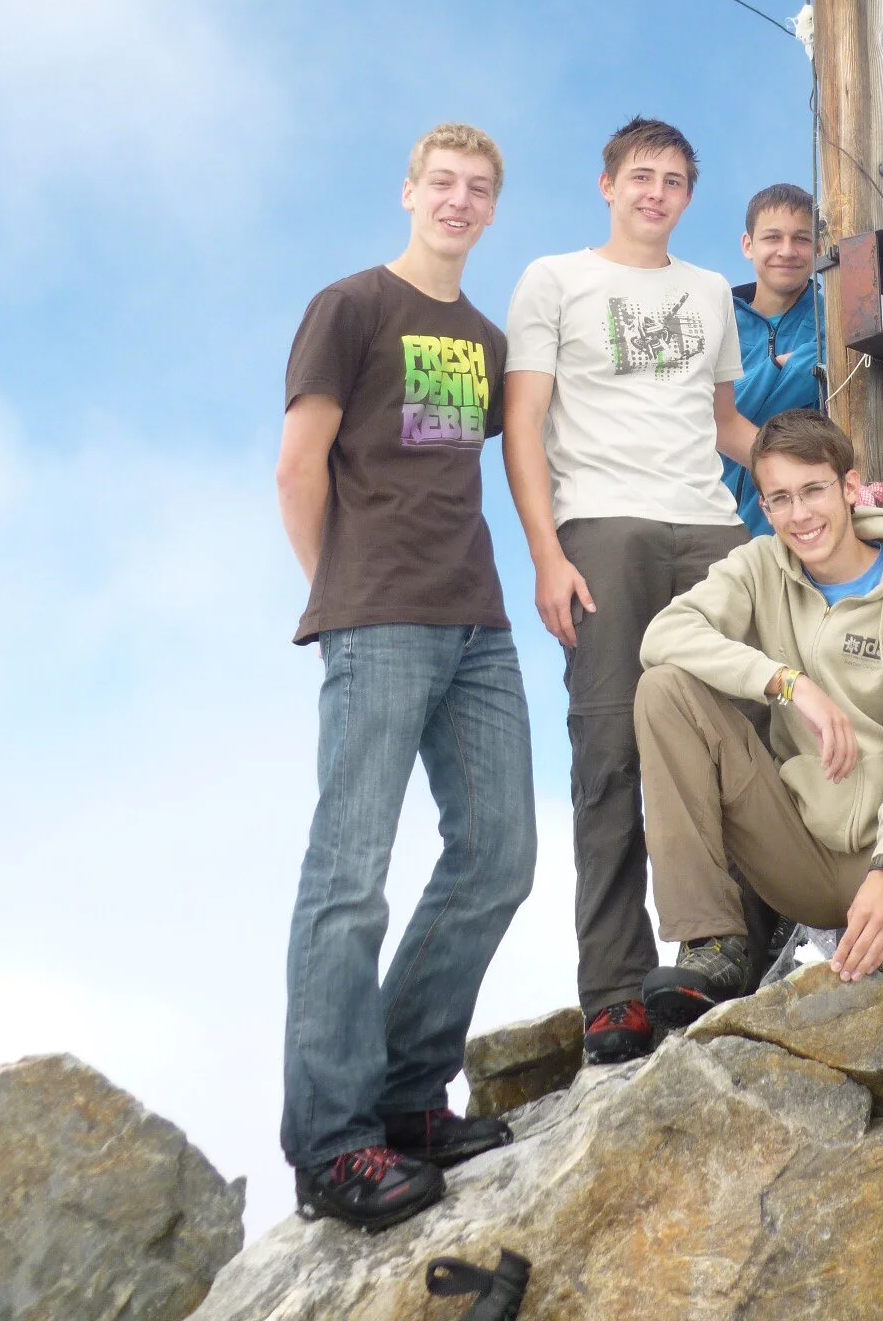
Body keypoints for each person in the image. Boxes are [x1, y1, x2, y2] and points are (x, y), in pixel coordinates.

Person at [276, 124, 536, 1233]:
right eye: (443, 183)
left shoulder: (484, 337)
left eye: (478, 188)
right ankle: (333, 1142)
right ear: (409, 192)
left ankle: (407, 1097)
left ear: (492, 208)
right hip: (377, 618)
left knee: (501, 855)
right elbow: (298, 466)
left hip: (479, 622)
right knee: (351, 876)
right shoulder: (350, 306)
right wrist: (342, 591)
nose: (458, 200)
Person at [634, 410, 883, 1021]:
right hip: (793, 845)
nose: (799, 514)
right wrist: (787, 683)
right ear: (765, 507)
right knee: (665, 690)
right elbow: (664, 635)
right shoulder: (759, 566)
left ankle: (879, 969)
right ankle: (712, 944)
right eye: (780, 498)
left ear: (849, 488)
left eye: (813, 490)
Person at [503, 117, 758, 1066]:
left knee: (740, 741)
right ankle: (614, 990)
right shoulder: (553, 279)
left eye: (675, 181)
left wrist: (815, 474)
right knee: (610, 753)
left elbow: (725, 424)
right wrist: (546, 554)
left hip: (712, 530)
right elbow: (523, 424)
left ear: (689, 196)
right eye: (642, 176)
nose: (657, 193)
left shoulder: (709, 291)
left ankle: (733, 957)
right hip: (603, 530)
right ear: (607, 184)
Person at [722, 182, 822, 535]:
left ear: (818, 247)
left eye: (801, 239)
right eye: (772, 237)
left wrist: (731, 403)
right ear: (748, 245)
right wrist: (776, 367)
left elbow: (726, 407)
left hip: (795, 528)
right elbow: (705, 414)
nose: (787, 250)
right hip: (706, 525)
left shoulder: (834, 318)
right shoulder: (717, 322)